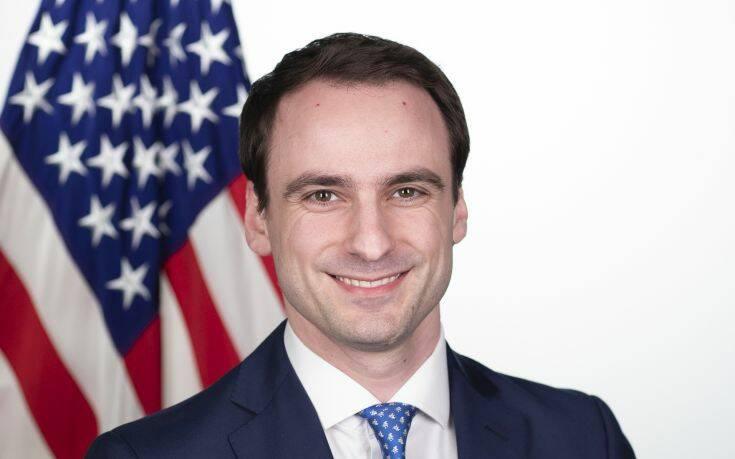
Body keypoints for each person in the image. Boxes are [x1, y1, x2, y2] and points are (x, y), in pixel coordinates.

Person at [87, 33, 635, 459]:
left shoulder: (584, 438)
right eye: (323, 195)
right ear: (258, 217)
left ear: (457, 209)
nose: (371, 244)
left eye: (407, 191)